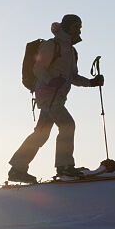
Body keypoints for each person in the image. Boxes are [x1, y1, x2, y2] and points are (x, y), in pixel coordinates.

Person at [8, 14, 104, 183]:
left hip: (56, 96)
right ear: (67, 27)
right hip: (48, 95)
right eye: (76, 26)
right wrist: (50, 80)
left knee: (41, 134)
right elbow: (38, 68)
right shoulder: (52, 45)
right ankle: (64, 167)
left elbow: (72, 77)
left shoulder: (71, 51)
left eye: (80, 27)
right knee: (67, 125)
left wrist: (91, 82)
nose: (79, 30)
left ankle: (17, 169)